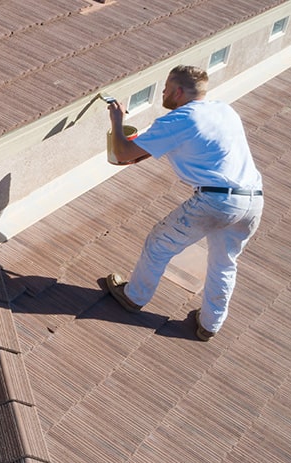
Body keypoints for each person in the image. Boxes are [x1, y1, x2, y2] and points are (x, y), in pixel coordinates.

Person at [104, 65, 263, 341]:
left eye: (166, 87)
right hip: (253, 200)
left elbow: (122, 153)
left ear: (178, 91)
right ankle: (210, 325)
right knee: (224, 262)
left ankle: (133, 297)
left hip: (215, 200)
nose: (163, 92)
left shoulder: (179, 119)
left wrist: (116, 122)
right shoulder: (225, 110)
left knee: (159, 243)